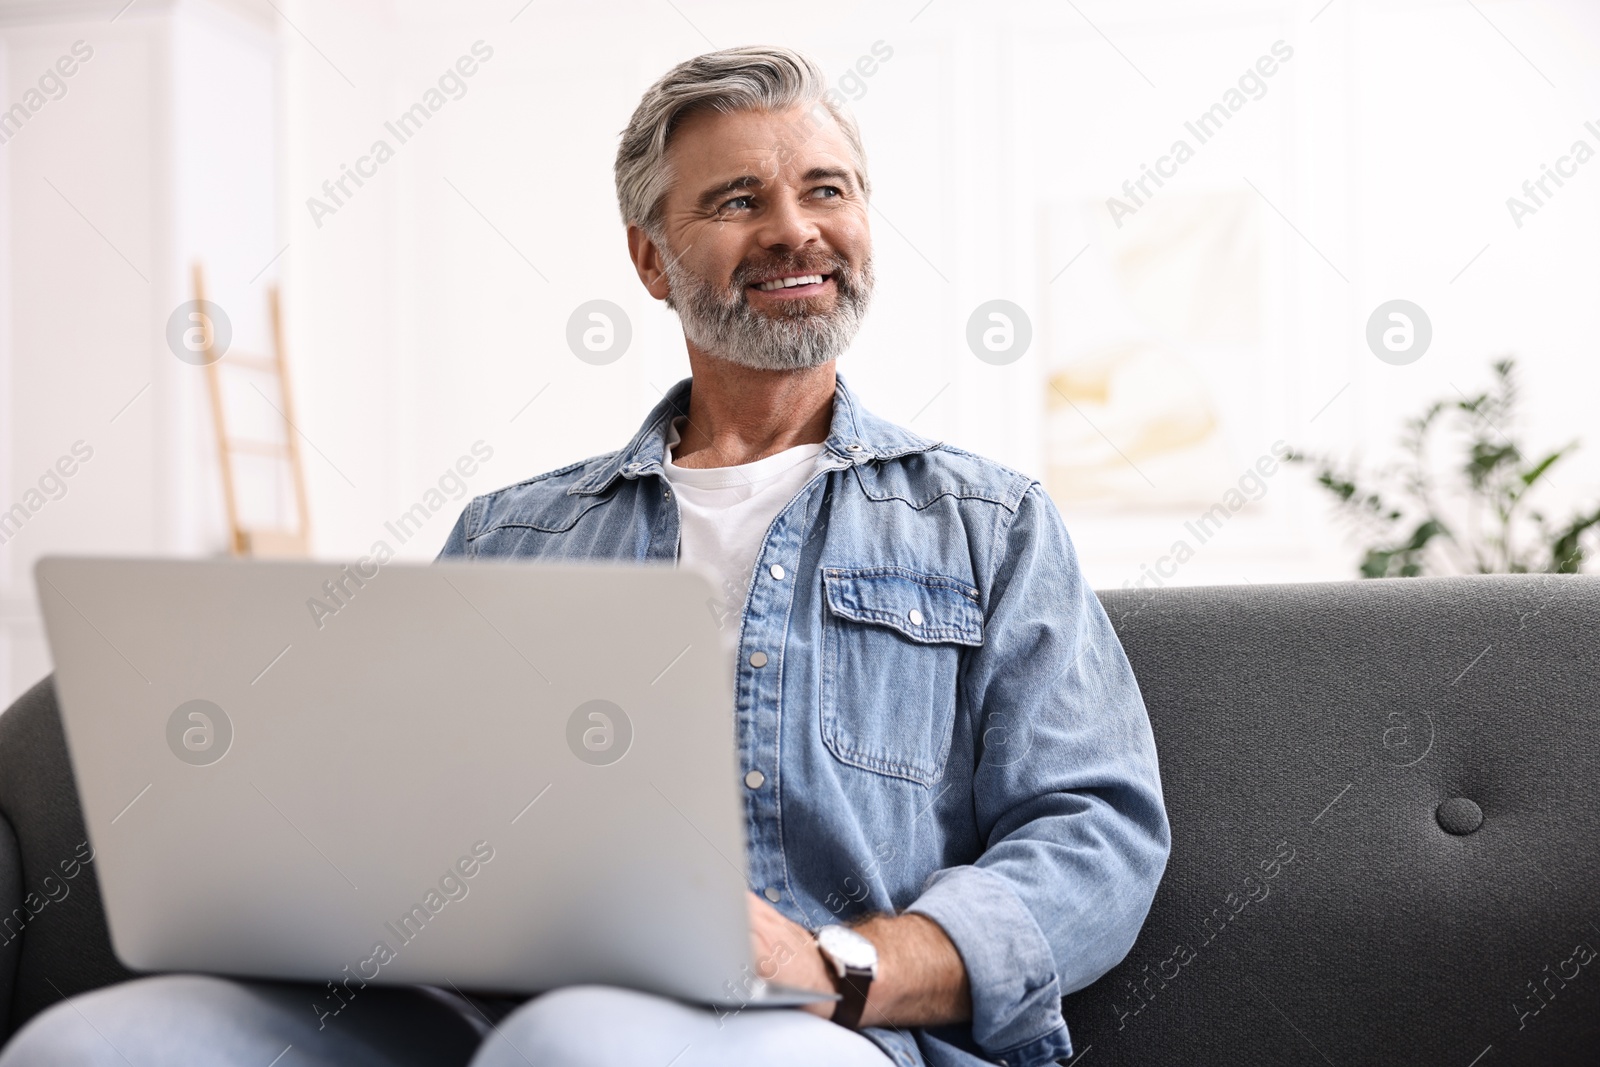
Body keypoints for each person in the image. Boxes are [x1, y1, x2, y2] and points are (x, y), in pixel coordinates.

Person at [2, 45, 1168, 1067]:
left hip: (833, 1024)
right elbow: (408, 806)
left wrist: (840, 961)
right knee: (93, 1041)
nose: (794, 228)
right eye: (738, 198)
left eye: (826, 189)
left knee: (574, 1046)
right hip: (490, 1008)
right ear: (652, 260)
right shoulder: (510, 534)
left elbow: (1096, 830)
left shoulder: (987, 520)